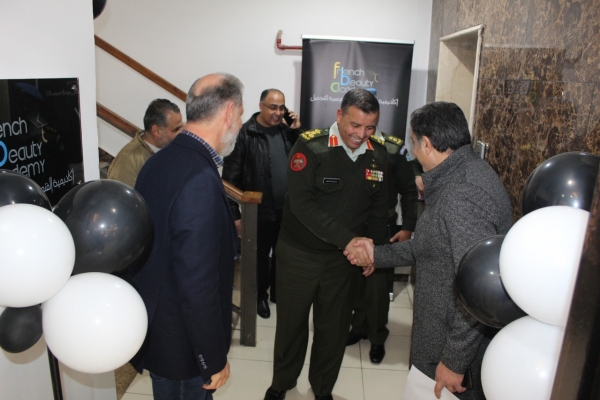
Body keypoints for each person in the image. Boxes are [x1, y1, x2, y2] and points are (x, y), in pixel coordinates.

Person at [346, 101, 513, 400]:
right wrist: (376, 255)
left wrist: (455, 361)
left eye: (413, 143)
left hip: (451, 351)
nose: (412, 152)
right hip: (440, 336)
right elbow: (430, 246)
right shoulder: (461, 175)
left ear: (427, 143)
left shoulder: (463, 194)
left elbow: (480, 290)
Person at [264, 89, 388, 400]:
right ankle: (281, 383)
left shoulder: (378, 154)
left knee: (333, 330)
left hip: (342, 262)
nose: (361, 134)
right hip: (299, 255)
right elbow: (302, 205)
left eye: (369, 127)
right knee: (291, 326)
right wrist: (348, 240)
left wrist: (373, 252)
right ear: (339, 116)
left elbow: (378, 209)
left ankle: (322, 389)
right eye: (355, 125)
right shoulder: (311, 146)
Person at [130, 73, 244, 400]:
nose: (239, 122)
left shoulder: (159, 160)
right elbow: (198, 283)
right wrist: (212, 357)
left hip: (161, 332)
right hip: (183, 348)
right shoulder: (199, 178)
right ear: (228, 112)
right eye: (240, 114)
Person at [222, 89, 303, 319]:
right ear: (261, 106)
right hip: (258, 210)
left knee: (283, 254)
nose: (278, 112)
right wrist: (235, 215)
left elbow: (303, 158)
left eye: (281, 107)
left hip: (287, 210)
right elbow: (229, 179)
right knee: (259, 258)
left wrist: (296, 130)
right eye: (272, 107)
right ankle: (260, 297)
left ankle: (278, 292)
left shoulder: (286, 132)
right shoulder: (245, 134)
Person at [346, 127, 418, 364]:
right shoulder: (347, 143)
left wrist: (408, 226)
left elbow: (409, 191)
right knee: (356, 282)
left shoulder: (393, 149)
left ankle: (377, 336)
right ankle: (358, 327)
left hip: (382, 227)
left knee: (378, 287)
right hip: (354, 227)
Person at [107, 98, 183, 187]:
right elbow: (119, 195)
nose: (181, 132)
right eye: (176, 129)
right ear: (157, 131)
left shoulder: (170, 148)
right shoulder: (128, 161)